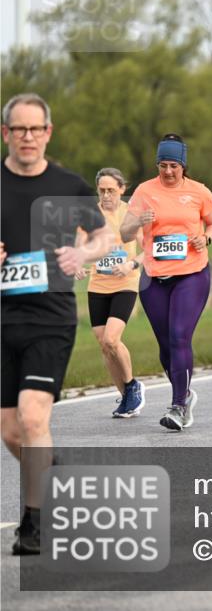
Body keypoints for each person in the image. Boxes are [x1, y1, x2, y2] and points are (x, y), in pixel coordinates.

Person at [2, 93, 114, 555]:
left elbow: (106, 236)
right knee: (11, 430)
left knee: (33, 416)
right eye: (18, 129)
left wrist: (82, 252)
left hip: (50, 318)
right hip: (2, 318)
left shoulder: (68, 186)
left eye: (36, 129)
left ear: (48, 133)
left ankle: (35, 523)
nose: (27, 137)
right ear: (6, 133)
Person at [120, 134, 212, 432]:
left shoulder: (199, 191)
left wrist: (205, 237)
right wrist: (138, 222)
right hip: (154, 278)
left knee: (180, 336)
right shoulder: (143, 191)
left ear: (183, 166)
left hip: (192, 273)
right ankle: (186, 393)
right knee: (165, 345)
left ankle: (178, 405)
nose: (167, 172)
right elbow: (126, 233)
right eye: (163, 165)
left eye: (174, 166)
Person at [76, 168, 146, 416]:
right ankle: (126, 397)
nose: (106, 195)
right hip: (98, 285)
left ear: (122, 190)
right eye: (102, 190)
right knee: (104, 346)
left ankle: (132, 387)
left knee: (111, 339)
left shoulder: (131, 214)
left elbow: (148, 249)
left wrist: (131, 263)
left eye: (111, 190)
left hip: (126, 282)